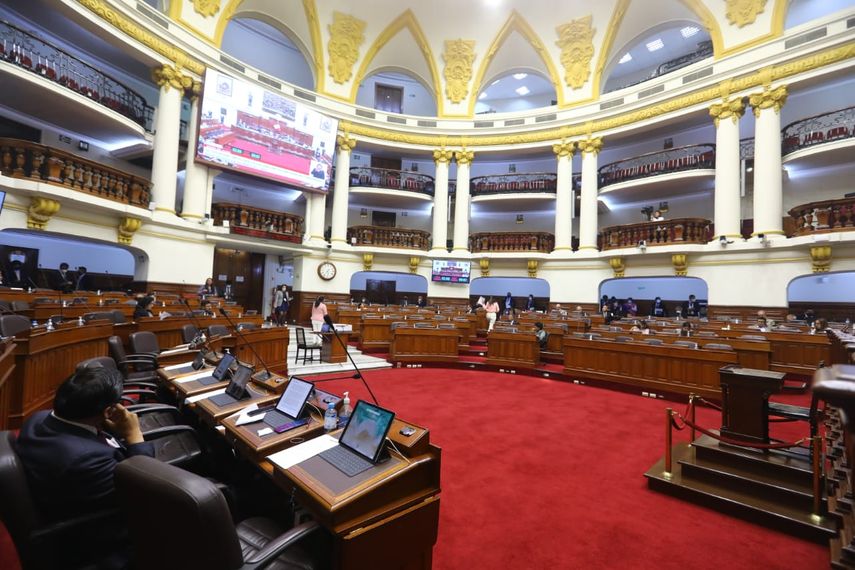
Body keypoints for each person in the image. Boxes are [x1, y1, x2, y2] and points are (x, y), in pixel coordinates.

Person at [13, 367, 155, 568]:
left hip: (66, 497)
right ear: (108, 411)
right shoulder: (87, 460)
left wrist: (106, 427)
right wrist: (134, 436)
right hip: (100, 538)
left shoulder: (38, 419)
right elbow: (144, 492)